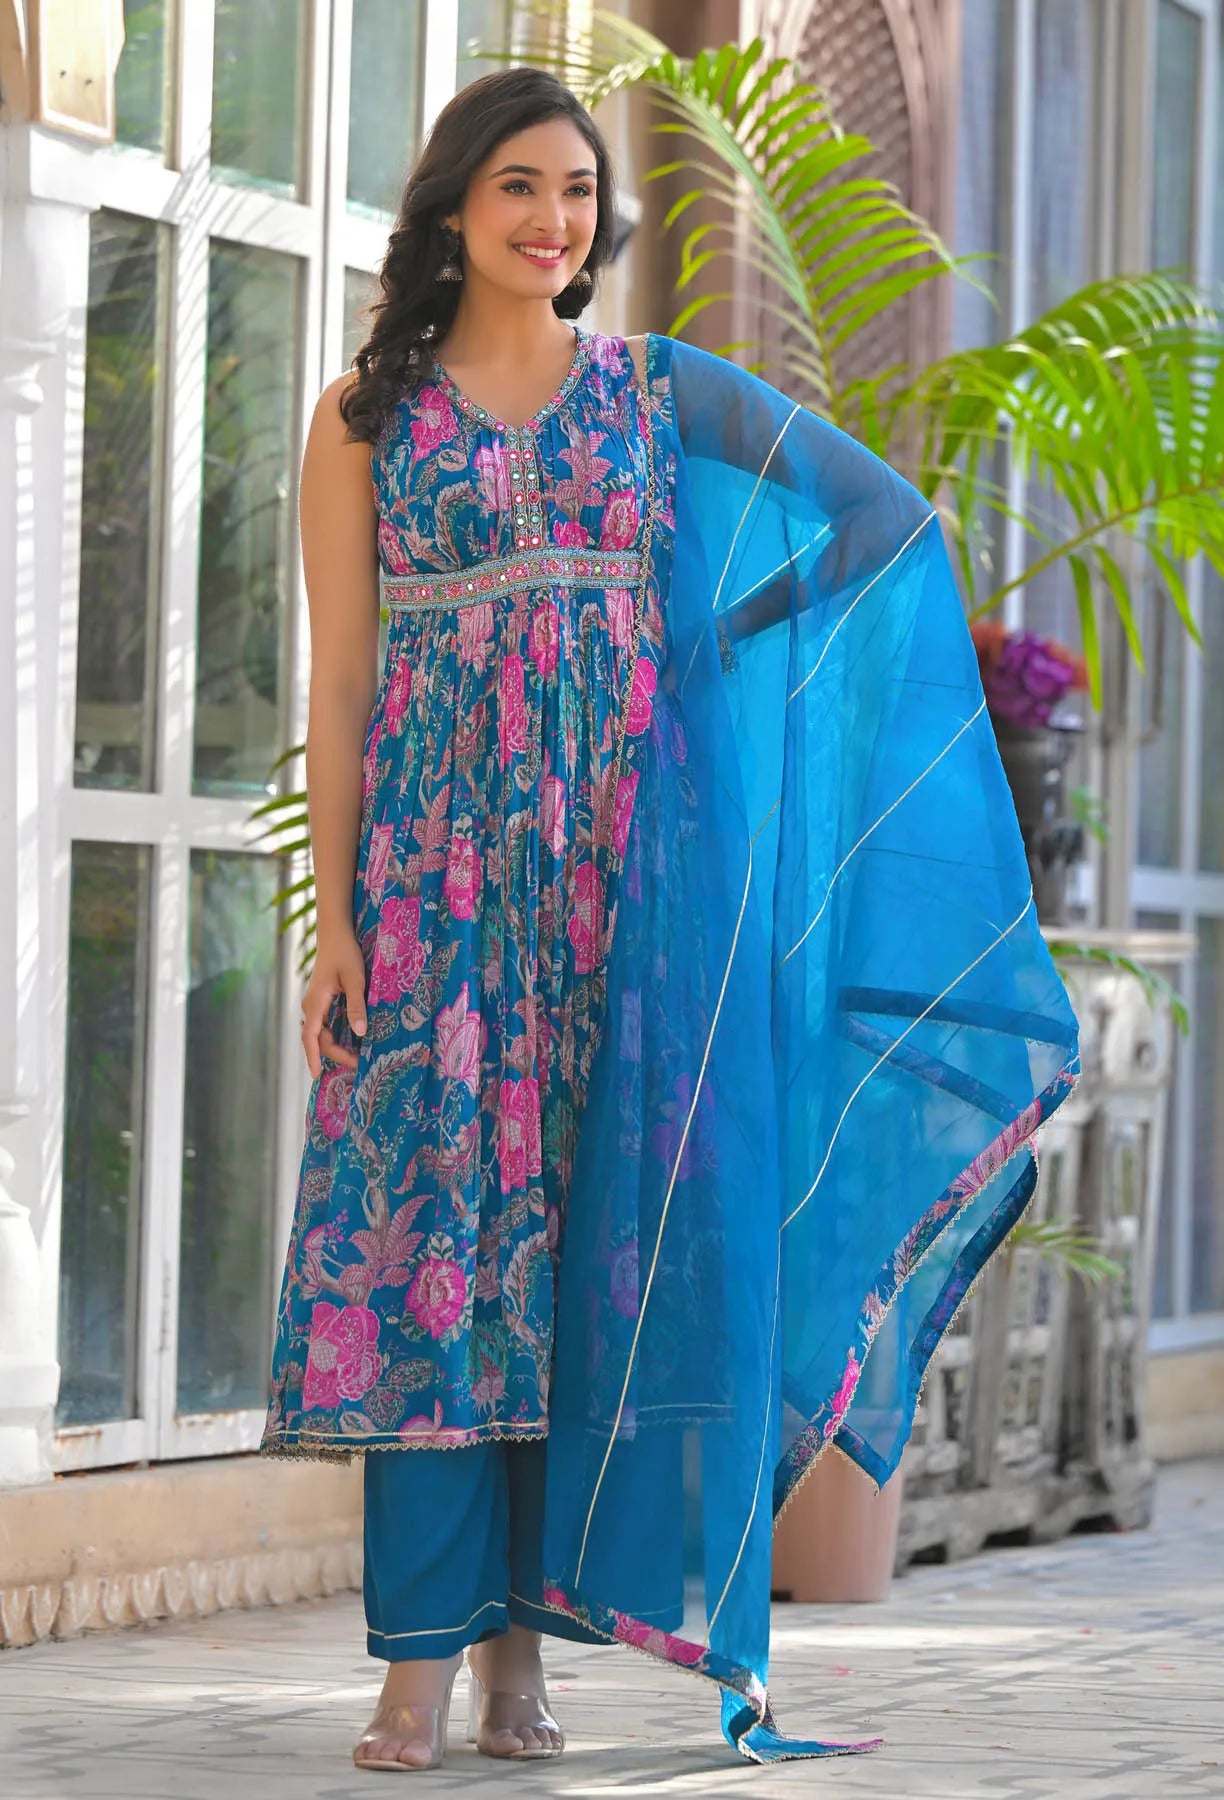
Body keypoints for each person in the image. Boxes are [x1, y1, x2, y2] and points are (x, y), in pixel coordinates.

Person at [260, 64, 1080, 1774]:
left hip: (623, 898)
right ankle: (414, 1666)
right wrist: (342, 919)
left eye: (577, 194)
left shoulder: (661, 395)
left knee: (583, 1268)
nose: (555, 221)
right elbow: (343, 683)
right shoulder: (364, 420)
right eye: (518, 190)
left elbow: (877, 528)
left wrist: (710, 643)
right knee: (430, 1276)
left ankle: (522, 1673)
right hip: (430, 898)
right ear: (452, 212)